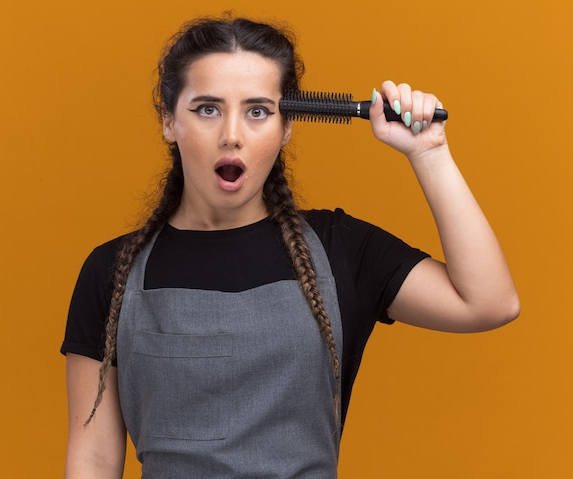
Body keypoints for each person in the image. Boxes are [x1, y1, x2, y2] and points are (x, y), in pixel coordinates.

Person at [60, 16, 520, 479]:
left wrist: (430, 153)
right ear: (168, 120)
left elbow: (488, 303)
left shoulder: (342, 249)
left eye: (258, 111)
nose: (232, 134)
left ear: (286, 127)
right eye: (207, 109)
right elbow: (94, 459)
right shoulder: (112, 272)